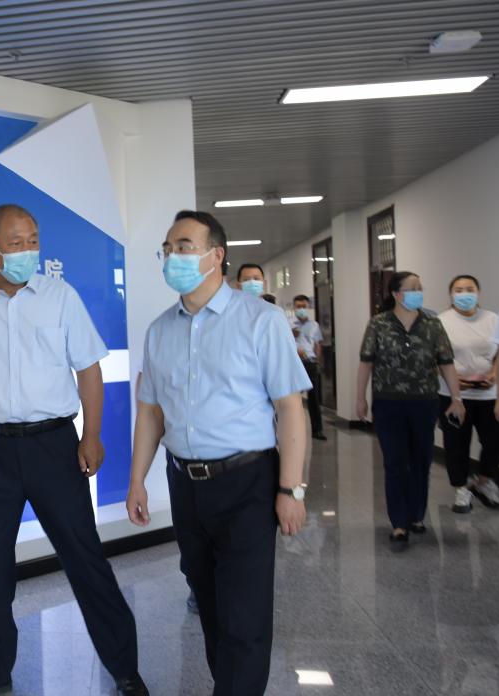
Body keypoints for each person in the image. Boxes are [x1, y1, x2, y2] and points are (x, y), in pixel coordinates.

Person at [0, 204, 147, 696]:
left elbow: (88, 368)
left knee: (85, 558)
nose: (27, 250)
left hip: (54, 445)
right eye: (16, 242)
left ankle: (125, 669)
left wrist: (92, 435)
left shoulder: (60, 296)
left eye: (33, 240)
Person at [126, 210, 310, 696]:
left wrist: (291, 489)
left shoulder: (261, 320)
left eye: (185, 247)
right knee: (208, 603)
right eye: (168, 249)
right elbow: (151, 412)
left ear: (216, 256)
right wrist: (137, 478)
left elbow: (290, 408)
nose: (173, 257)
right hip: (185, 485)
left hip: (248, 481)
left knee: (244, 612)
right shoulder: (159, 331)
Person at [356, 271, 465, 545]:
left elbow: (446, 363)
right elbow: (366, 362)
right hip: (388, 402)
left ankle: (416, 515)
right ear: (396, 294)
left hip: (424, 402)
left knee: (421, 461)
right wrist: (360, 398)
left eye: (420, 287)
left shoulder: (432, 324)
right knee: (395, 463)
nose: (419, 292)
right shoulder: (378, 324)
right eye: (412, 288)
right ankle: (398, 522)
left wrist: (457, 398)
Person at [436, 275, 499, 512]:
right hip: (453, 395)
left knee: (495, 442)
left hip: (489, 394)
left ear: (478, 292)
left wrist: (494, 374)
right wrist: (455, 380)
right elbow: (435, 358)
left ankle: (483, 481)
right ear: (451, 294)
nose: (464, 294)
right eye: (459, 289)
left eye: (469, 289)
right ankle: (461, 489)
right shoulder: (441, 322)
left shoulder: (492, 319)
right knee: (456, 444)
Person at [292, 295, 327, 441]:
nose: (301, 309)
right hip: (294, 364)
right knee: (292, 399)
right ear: (294, 307)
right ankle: (293, 430)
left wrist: (317, 361)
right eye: (298, 306)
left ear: (308, 307)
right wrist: (291, 335)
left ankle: (317, 430)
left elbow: (318, 344)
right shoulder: (288, 324)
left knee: (314, 398)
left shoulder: (314, 325)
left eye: (303, 306)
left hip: (310, 363)